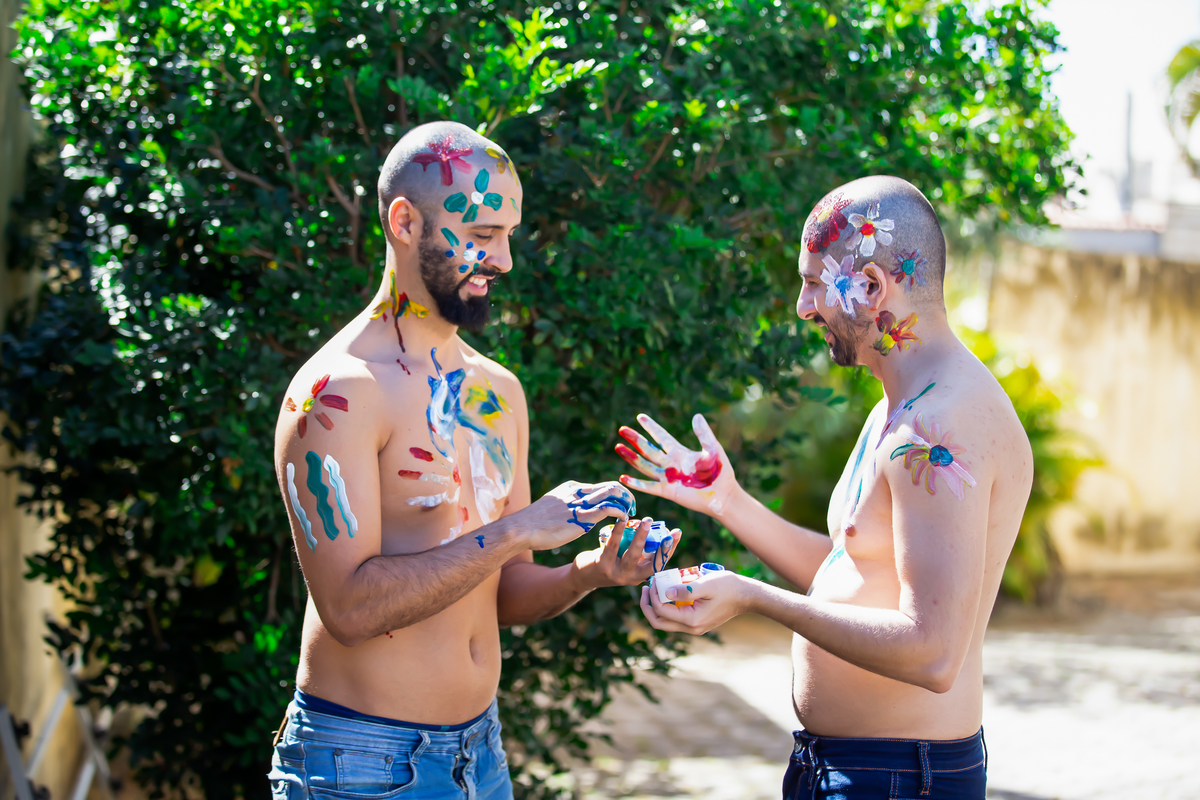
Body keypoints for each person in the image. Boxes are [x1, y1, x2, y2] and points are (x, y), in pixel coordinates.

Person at [268, 121, 678, 799]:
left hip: (480, 758)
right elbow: (348, 609)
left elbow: (502, 589)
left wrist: (592, 571)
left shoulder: (498, 394)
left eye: (508, 235)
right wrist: (518, 529)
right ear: (405, 222)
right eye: (483, 235)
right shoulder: (336, 395)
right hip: (360, 764)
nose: (505, 261)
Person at [618, 176, 1032, 800]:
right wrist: (725, 500)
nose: (803, 306)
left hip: (900, 778)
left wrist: (752, 597)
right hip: (849, 767)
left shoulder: (942, 426)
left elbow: (932, 654)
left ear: (871, 285)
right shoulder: (899, 407)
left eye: (814, 282)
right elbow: (852, 570)